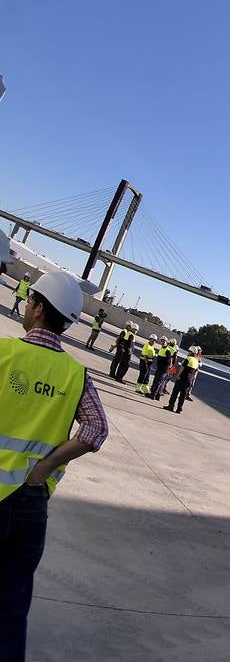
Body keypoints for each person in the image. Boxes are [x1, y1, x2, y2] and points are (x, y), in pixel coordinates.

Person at [0, 270, 110, 660]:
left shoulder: (4, 353)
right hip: (32, 504)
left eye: (29, 301)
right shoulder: (76, 375)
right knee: (11, 609)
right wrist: (44, 469)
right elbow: (96, 430)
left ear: (38, 308)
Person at [166, 345, 202, 414]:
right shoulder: (196, 361)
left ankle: (171, 406)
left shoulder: (188, 359)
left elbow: (182, 368)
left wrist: (178, 376)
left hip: (182, 379)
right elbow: (195, 372)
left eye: (189, 351)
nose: (188, 352)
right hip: (188, 380)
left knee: (175, 393)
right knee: (183, 395)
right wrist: (191, 379)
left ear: (191, 352)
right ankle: (179, 409)